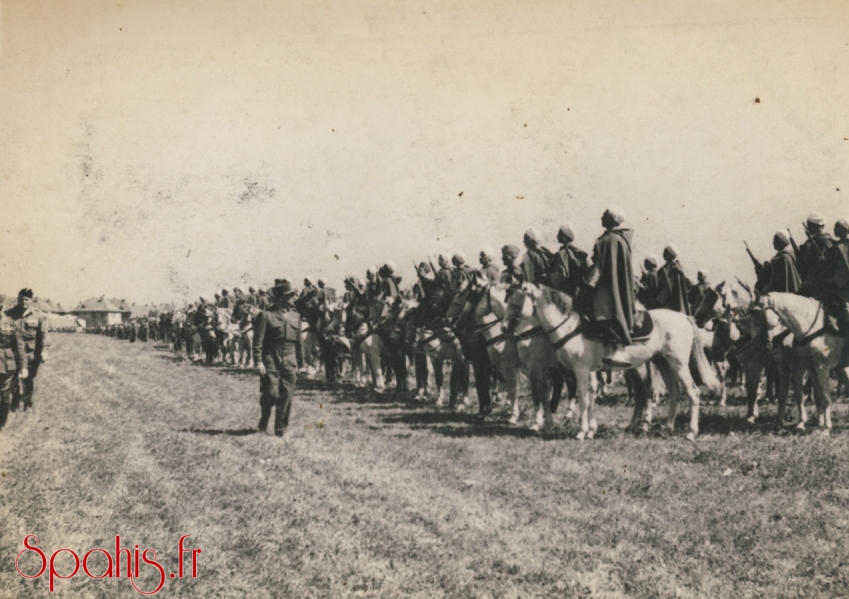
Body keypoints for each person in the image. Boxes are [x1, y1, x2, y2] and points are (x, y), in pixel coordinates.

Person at [253, 278, 304, 437]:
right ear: (281, 298)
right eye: (290, 295)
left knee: (287, 395)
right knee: (271, 393)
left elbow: (299, 343)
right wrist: (258, 361)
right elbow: (258, 341)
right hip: (271, 357)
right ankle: (265, 416)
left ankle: (280, 431)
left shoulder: (296, 316)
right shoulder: (266, 315)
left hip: (290, 358)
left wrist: (301, 364)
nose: (294, 298)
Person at [586, 207, 636, 353]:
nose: (601, 217)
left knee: (601, 313)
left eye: (605, 215)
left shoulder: (608, 240)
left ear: (611, 219)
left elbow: (600, 268)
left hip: (606, 286)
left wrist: (588, 284)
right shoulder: (620, 238)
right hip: (614, 284)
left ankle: (614, 351)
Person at [6, 289, 49, 412]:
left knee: (30, 381)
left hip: (31, 355)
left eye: (26, 299)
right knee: (13, 380)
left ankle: (28, 404)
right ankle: (16, 397)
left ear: (31, 300)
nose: (23, 302)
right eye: (21, 299)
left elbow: (44, 335)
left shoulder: (39, 315)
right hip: (13, 354)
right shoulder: (10, 314)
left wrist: (44, 350)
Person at [0, 308, 27, 430]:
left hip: (7, 365)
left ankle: (1, 424)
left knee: (5, 394)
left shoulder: (10, 324)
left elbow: (20, 347)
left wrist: (23, 367)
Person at [798, 211, 835, 298]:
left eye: (810, 226)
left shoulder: (826, 240)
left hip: (824, 281)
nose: (807, 229)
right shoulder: (809, 242)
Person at [550, 223, 591, 298]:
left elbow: (557, 278)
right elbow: (590, 272)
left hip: (565, 294)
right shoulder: (582, 253)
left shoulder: (560, 254)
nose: (557, 235)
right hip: (583, 294)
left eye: (559, 233)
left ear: (565, 237)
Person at [655, 244, 693, 315]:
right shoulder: (665, 269)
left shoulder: (677, 268)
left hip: (669, 302)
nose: (663, 254)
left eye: (665, 252)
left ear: (670, 255)